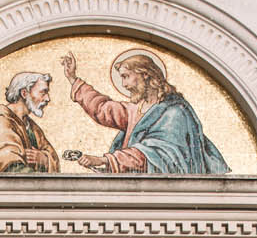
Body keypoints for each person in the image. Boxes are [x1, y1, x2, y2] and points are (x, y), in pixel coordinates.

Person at [58, 49, 231, 174]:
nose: (124, 85)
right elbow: (103, 109)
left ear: (145, 74)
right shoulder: (137, 109)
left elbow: (155, 153)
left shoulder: (175, 113)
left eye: (126, 77)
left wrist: (106, 160)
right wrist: (73, 79)